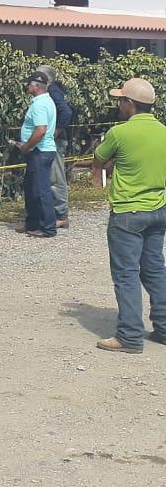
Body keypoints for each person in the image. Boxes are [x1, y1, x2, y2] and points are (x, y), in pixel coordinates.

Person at [90, 78, 166, 353]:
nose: (119, 104)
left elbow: (99, 159)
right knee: (155, 269)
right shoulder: (163, 131)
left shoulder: (119, 133)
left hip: (127, 212)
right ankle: (164, 328)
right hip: (158, 209)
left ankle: (130, 336)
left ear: (129, 103)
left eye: (121, 100)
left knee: (126, 274)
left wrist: (103, 171)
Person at [16, 72, 58, 238]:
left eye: (29, 84)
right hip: (40, 150)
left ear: (35, 85)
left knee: (41, 190)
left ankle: (48, 227)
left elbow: (40, 130)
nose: (27, 87)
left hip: (39, 151)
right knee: (32, 188)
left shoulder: (40, 105)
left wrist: (26, 146)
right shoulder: (46, 101)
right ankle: (33, 223)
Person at [36, 65, 73, 229]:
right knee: (51, 177)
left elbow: (66, 111)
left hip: (56, 141)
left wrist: (57, 130)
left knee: (56, 177)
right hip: (52, 140)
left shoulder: (53, 91)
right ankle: (53, 212)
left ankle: (62, 214)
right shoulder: (51, 91)